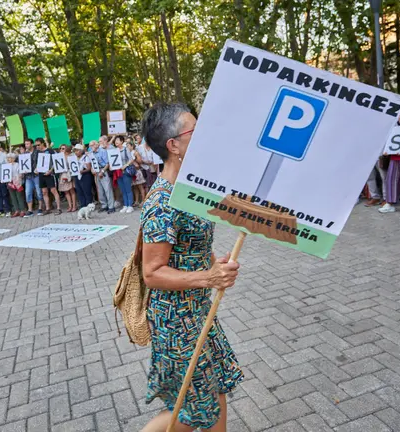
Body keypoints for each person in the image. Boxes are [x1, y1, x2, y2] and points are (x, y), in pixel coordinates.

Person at [139, 102, 242, 432]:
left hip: (197, 310)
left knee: (216, 386)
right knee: (190, 410)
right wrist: (209, 277)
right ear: (174, 145)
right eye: (194, 130)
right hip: (176, 321)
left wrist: (214, 264)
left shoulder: (188, 190)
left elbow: (192, 244)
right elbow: (152, 272)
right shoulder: (162, 202)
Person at [39, 140, 62, 215]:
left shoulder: (50, 151)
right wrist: (36, 169)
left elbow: (56, 161)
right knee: (44, 192)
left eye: (38, 145)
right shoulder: (37, 152)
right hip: (41, 174)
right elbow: (37, 163)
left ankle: (58, 208)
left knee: (53, 190)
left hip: (50, 174)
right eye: (36, 145)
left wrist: (51, 170)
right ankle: (47, 208)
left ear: (42, 143)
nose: (37, 146)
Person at [95, 137, 116, 213]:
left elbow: (108, 163)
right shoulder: (95, 151)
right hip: (97, 171)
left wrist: (103, 171)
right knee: (100, 190)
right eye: (99, 141)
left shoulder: (105, 150)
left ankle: (111, 206)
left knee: (107, 189)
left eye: (100, 141)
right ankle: (104, 205)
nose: (99, 143)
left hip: (105, 170)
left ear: (105, 140)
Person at [115, 136, 135, 212]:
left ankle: (130, 205)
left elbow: (131, 159)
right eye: (115, 140)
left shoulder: (125, 149)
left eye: (117, 140)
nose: (116, 141)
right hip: (118, 172)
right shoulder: (115, 150)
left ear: (122, 141)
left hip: (126, 171)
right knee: (122, 189)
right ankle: (125, 205)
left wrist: (125, 165)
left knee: (128, 189)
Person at [73, 144, 94, 208]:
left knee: (87, 191)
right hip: (77, 176)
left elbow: (89, 168)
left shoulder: (86, 157)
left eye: (77, 150)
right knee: (79, 191)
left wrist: (82, 171)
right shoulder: (73, 158)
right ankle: (83, 205)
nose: (76, 152)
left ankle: (89, 205)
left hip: (85, 175)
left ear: (81, 151)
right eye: (75, 151)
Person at [58, 145, 77, 212]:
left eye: (63, 148)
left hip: (69, 174)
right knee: (66, 191)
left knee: (71, 191)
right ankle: (70, 206)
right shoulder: (59, 157)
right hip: (62, 175)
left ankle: (74, 206)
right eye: (60, 148)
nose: (61, 149)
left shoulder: (71, 156)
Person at [6, 153, 25, 217]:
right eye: (7, 158)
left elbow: (21, 173)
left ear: (13, 159)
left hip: (17, 182)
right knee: (13, 197)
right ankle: (16, 210)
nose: (8, 159)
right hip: (10, 182)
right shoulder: (6, 165)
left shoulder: (17, 164)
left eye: (9, 158)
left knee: (19, 196)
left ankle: (22, 210)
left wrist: (20, 176)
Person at [128, 141, 147, 205]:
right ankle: (136, 201)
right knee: (135, 187)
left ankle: (143, 201)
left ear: (132, 146)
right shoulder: (128, 153)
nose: (127, 147)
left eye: (128, 146)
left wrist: (135, 158)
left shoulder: (135, 152)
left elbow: (140, 161)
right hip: (131, 172)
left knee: (140, 186)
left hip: (137, 171)